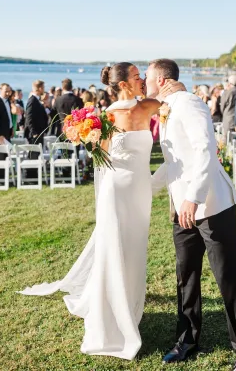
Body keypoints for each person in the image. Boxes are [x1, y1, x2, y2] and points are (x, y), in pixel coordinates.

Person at [18, 63, 182, 360]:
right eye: (137, 77)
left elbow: (174, 106)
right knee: (115, 250)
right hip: (118, 191)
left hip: (137, 194)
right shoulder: (109, 117)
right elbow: (102, 158)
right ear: (123, 85)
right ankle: (112, 320)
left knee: (133, 250)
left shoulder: (136, 108)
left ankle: (129, 304)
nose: (143, 79)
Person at [149, 59, 236, 371]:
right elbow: (174, 162)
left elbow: (205, 150)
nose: (144, 82)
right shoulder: (167, 108)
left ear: (162, 79)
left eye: (147, 77)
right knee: (186, 277)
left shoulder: (190, 102)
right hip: (181, 209)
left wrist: (193, 199)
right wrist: (143, 187)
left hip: (211, 206)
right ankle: (187, 341)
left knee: (228, 281)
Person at [24, 80, 49, 152]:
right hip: (35, 134)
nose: (44, 89)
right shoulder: (32, 100)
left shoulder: (37, 100)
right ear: (39, 88)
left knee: (38, 154)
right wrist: (33, 132)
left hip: (39, 132)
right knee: (34, 155)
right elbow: (29, 117)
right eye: (43, 87)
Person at [220, 75, 236, 141]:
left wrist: (224, 113)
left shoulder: (227, 92)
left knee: (226, 138)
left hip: (228, 118)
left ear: (230, 83)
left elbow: (222, 106)